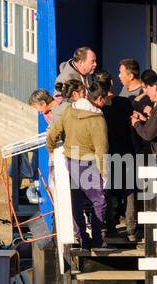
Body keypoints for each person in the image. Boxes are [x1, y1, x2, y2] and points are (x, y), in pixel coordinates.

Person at [44, 76, 109, 252]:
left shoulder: (68, 111)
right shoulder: (97, 119)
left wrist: (50, 149)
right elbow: (101, 150)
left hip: (69, 162)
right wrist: (105, 174)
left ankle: (82, 238)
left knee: (75, 203)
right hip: (88, 164)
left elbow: (53, 134)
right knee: (99, 201)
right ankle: (96, 240)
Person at [90, 76, 138, 241]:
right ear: (111, 85)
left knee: (107, 191)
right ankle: (132, 228)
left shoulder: (98, 110)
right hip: (126, 151)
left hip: (108, 154)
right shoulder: (124, 103)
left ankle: (110, 227)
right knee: (129, 191)